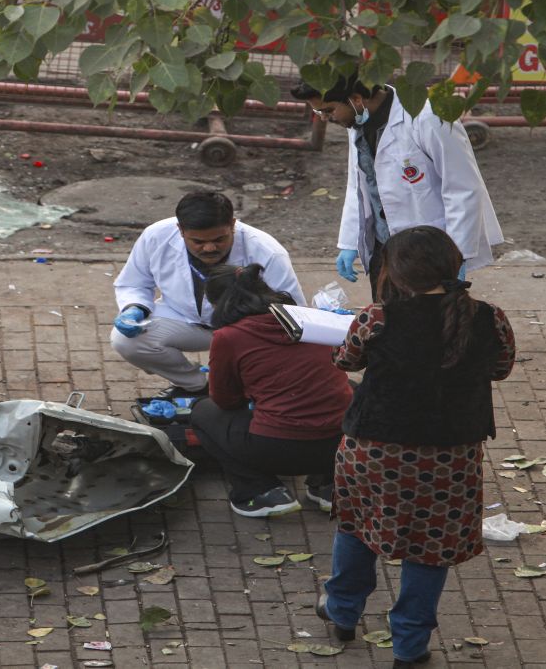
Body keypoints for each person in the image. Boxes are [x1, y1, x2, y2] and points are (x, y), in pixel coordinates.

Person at [314, 226, 516, 668]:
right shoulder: (489, 316)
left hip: (373, 450)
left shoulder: (376, 317)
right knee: (431, 548)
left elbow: (345, 360)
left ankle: (343, 611)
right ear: (453, 265)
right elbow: (500, 368)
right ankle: (409, 644)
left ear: (394, 273)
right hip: (450, 456)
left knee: (357, 526)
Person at [290, 76, 503, 301]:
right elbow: (361, 183)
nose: (324, 118)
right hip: (384, 248)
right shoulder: (358, 119)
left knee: (429, 325)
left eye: (328, 110)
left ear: (356, 99)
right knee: (388, 318)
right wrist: (349, 241)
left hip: (430, 250)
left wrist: (457, 253)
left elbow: (463, 189)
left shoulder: (430, 117)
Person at [190, 263, 353, 518]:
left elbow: (225, 400)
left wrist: (251, 393)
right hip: (341, 442)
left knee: (202, 412)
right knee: (347, 388)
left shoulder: (228, 337)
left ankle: (261, 491)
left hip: (278, 449)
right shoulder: (309, 318)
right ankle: (328, 485)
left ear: (216, 303)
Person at [111, 191, 305, 399]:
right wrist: (134, 308)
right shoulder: (155, 236)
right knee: (125, 341)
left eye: (219, 239)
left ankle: (243, 389)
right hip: (184, 319)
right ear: (180, 230)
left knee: (259, 377)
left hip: (247, 331)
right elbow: (134, 282)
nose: (210, 248)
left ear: (233, 224)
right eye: (198, 242)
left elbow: (293, 313)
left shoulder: (268, 251)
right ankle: (197, 386)